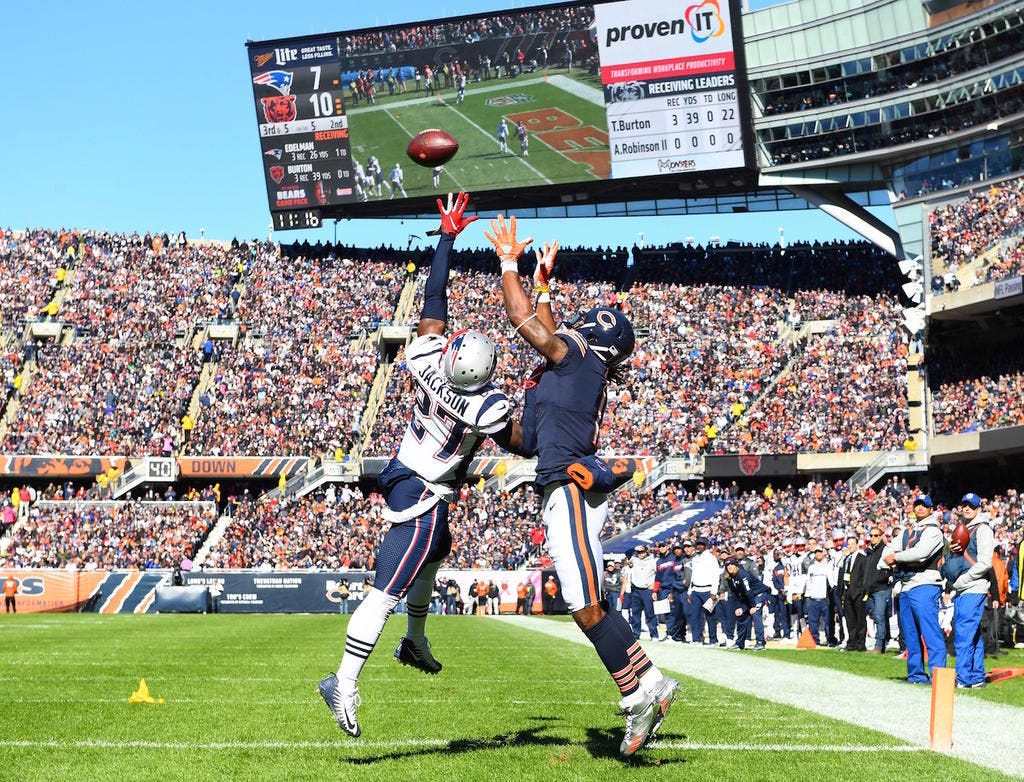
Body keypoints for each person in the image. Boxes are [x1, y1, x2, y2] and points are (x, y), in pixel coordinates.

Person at [485, 214, 677, 757]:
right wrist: (489, 419)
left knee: (583, 603)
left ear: (593, 342)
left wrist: (509, 263)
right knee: (588, 599)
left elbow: (525, 320)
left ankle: (642, 690)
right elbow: (526, 438)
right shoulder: (570, 372)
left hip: (569, 486)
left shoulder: (578, 361)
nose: (571, 329)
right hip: (561, 480)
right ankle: (648, 682)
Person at [318, 192, 507, 738]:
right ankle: (345, 681)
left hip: (405, 469)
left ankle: (415, 640)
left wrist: (446, 238)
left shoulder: (426, 358)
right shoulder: (485, 404)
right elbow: (521, 439)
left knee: (437, 552)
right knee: (387, 588)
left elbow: (433, 299)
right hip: (421, 492)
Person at [882, 494, 947, 684]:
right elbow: (888, 550)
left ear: (930, 509)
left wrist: (896, 557)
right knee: (910, 634)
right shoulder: (907, 531)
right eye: (917, 505)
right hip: (907, 586)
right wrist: (891, 557)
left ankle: (938, 677)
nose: (919, 508)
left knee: (930, 632)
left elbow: (920, 554)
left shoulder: (933, 531)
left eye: (924, 506)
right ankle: (916, 675)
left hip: (925, 584)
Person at [942, 492, 993, 688]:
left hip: (973, 586)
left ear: (979, 508)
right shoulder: (961, 529)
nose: (967, 509)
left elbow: (985, 563)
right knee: (973, 634)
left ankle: (963, 679)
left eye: (971, 506)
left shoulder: (983, 530)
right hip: (964, 588)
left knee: (963, 633)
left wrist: (961, 580)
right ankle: (977, 676)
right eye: (964, 505)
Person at [723, 557, 769, 650]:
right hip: (749, 597)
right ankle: (740, 643)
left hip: (758, 594)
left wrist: (752, 606)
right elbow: (736, 594)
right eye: (727, 565)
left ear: (736, 566)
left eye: (732, 564)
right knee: (741, 616)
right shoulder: (730, 578)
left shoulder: (743, 575)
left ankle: (760, 642)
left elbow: (748, 591)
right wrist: (739, 607)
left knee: (755, 615)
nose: (729, 567)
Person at [864, 526, 893, 653]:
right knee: (877, 617)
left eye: (876, 535)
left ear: (881, 536)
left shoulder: (884, 550)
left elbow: (889, 568)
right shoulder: (870, 552)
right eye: (871, 535)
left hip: (881, 588)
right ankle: (882, 642)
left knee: (880, 616)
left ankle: (879, 645)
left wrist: (880, 579)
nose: (873, 538)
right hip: (871, 589)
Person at [688, 536, 720, 645]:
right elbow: (693, 575)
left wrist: (714, 591)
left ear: (706, 545)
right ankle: (696, 639)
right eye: (697, 544)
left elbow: (716, 575)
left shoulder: (711, 558)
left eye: (701, 544)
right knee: (695, 616)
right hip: (696, 590)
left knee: (710, 616)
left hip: (708, 590)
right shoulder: (695, 558)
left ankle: (713, 639)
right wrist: (689, 591)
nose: (699, 546)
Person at [625, 545, 659, 642]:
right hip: (636, 590)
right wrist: (635, 548)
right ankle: (636, 634)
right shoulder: (635, 559)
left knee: (650, 613)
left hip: (647, 590)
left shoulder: (652, 561)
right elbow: (627, 552)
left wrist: (654, 588)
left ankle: (654, 634)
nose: (641, 554)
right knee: (635, 613)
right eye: (639, 552)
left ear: (646, 552)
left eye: (642, 552)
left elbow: (658, 575)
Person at [840, 534, 868, 651]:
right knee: (850, 620)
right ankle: (851, 643)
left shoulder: (862, 558)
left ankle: (861, 644)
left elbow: (865, 576)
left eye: (852, 544)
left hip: (858, 593)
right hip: (847, 593)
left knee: (860, 620)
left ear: (857, 545)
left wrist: (862, 591)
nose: (850, 546)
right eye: (849, 544)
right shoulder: (846, 559)